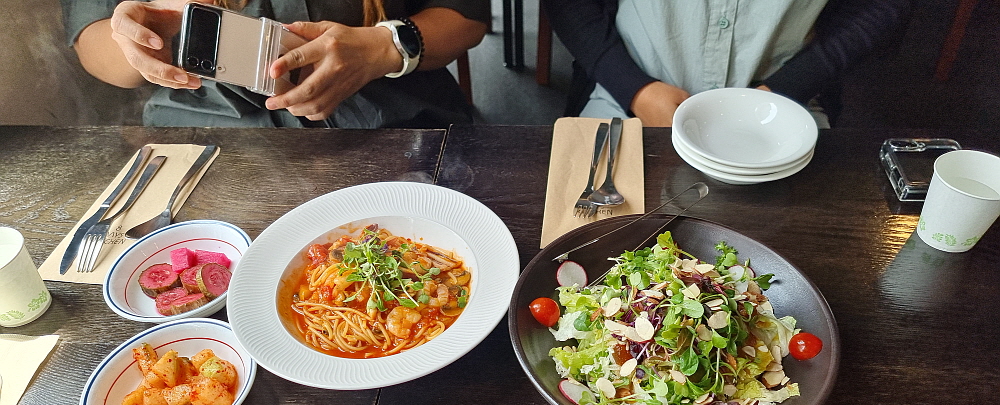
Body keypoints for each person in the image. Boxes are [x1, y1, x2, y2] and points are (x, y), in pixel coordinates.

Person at [61, 0, 490, 127]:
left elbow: (467, 17)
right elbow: (93, 41)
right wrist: (142, 44)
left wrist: (383, 47)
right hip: (210, 136)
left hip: (397, 118)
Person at [542, 0, 914, 127]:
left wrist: (788, 87)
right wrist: (635, 89)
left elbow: (880, 7)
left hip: (787, 101)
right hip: (626, 97)